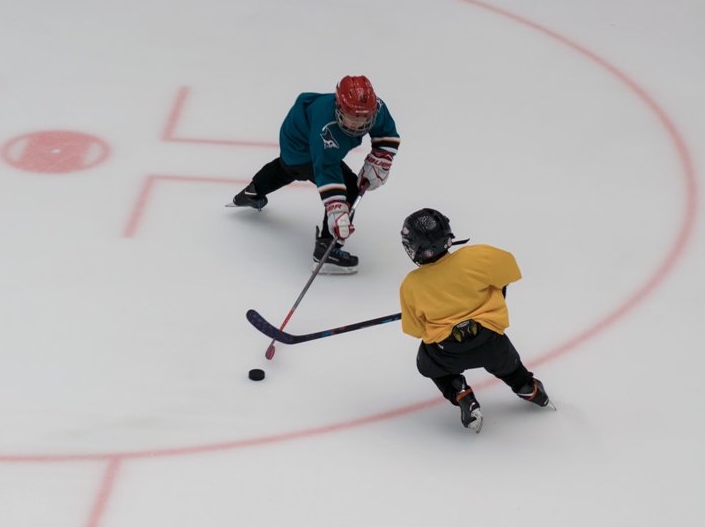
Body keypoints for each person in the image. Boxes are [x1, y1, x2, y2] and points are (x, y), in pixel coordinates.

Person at [398, 208, 555, 433]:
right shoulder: (477, 256)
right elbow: (510, 270)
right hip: (489, 340)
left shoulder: (411, 285)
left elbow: (415, 329)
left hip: (447, 351)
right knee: (507, 364)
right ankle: (529, 388)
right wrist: (494, 290)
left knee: (427, 363)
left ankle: (460, 393)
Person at [229, 75, 400, 274]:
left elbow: (386, 133)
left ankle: (252, 192)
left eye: (365, 118)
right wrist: (337, 210)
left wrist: (380, 159)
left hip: (303, 125)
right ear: (339, 108)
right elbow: (325, 169)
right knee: (348, 188)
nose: (359, 125)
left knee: (285, 169)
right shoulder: (327, 130)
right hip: (299, 144)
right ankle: (327, 251)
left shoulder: (374, 107)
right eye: (353, 118)